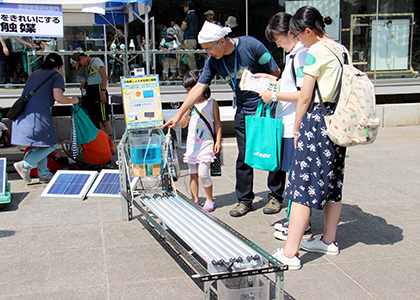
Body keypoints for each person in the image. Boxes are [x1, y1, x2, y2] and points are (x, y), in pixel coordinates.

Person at [162, 21, 282, 217]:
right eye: (205, 50)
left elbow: (276, 73)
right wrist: (178, 114)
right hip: (243, 108)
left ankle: (276, 195)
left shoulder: (251, 45)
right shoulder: (213, 61)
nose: (208, 53)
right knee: (243, 156)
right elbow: (198, 88)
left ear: (222, 41)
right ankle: (244, 200)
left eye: (210, 48)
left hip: (266, 106)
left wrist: (266, 88)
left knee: (272, 151)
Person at [272, 6, 349, 270]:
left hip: (317, 121)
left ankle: (290, 253)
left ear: (307, 30)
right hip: (338, 121)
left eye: (297, 34)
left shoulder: (315, 51)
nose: (297, 41)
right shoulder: (341, 49)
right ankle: (328, 240)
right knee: (333, 181)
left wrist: (296, 129)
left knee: (300, 185)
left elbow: (305, 96)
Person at [257, 12, 312, 241]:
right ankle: (296, 222)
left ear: (292, 33)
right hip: (288, 124)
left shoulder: (301, 56)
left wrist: (275, 95)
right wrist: (270, 81)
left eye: (279, 39)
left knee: (296, 176)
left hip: (293, 126)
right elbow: (291, 84)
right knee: (293, 175)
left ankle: (300, 226)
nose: (278, 44)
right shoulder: (293, 56)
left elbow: (302, 93)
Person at [12, 53, 79, 184]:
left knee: (41, 144)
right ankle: (25, 165)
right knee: (52, 144)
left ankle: (44, 174)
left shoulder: (34, 74)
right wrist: (73, 100)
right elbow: (58, 97)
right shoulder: (56, 76)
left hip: (23, 117)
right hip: (38, 117)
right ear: (60, 66)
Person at [179, 69, 222, 212]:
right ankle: (195, 200)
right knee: (193, 173)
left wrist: (218, 140)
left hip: (206, 144)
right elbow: (183, 125)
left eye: (192, 90)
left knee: (203, 173)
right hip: (192, 146)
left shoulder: (212, 103)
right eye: (188, 91)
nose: (190, 94)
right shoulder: (188, 105)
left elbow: (217, 123)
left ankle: (209, 198)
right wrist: (187, 108)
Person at [70, 52, 113, 139]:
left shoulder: (96, 61)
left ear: (82, 58)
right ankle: (99, 140)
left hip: (99, 91)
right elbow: (95, 78)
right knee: (96, 119)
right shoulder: (89, 67)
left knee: (104, 119)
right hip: (92, 93)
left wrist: (103, 92)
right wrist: (86, 83)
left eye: (80, 64)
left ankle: (110, 142)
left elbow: (104, 76)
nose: (82, 66)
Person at [181, 1, 199, 70]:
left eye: (184, 7)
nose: (183, 8)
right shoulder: (196, 16)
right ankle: (194, 73)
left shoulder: (189, 16)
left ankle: (194, 75)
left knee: (190, 59)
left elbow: (182, 26)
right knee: (192, 58)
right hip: (194, 39)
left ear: (187, 7)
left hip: (188, 39)